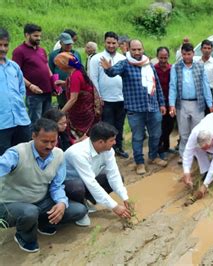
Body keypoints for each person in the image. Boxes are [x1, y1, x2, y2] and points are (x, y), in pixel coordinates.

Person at [0, 118, 87, 253]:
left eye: (53, 141)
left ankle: (42, 222)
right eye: (45, 141)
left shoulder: (58, 155)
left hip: (40, 201)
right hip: (10, 203)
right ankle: (24, 236)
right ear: (34, 136)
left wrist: (62, 203)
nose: (49, 146)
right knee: (29, 212)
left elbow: (56, 186)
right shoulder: (17, 153)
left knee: (79, 210)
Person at [101, 39, 167, 175]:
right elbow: (113, 72)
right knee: (137, 137)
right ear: (129, 50)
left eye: (139, 49)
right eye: (134, 50)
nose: (137, 52)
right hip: (135, 110)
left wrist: (162, 103)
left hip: (153, 107)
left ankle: (153, 156)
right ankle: (139, 162)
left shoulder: (149, 64)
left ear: (143, 49)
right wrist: (108, 69)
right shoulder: (125, 64)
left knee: (155, 135)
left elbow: (157, 85)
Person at [64, 122, 131, 225]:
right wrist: (115, 206)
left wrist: (124, 197)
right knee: (77, 187)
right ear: (100, 142)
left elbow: (113, 174)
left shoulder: (108, 150)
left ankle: (86, 200)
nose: (114, 143)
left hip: (86, 180)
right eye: (112, 140)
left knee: (117, 178)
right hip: (68, 186)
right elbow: (91, 183)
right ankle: (80, 209)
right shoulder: (78, 154)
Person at [169, 43, 213, 162]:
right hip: (182, 104)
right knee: (184, 133)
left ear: (193, 54)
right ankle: (183, 156)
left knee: (198, 132)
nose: (187, 56)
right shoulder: (176, 67)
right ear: (181, 54)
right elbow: (172, 86)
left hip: (197, 104)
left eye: (189, 54)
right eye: (184, 54)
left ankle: (198, 155)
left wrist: (210, 104)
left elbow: (205, 86)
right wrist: (172, 104)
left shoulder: (200, 66)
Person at [89, 31, 128, 158]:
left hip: (121, 98)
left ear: (118, 44)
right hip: (105, 99)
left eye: (113, 43)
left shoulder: (123, 58)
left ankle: (119, 147)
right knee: (107, 126)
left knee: (119, 125)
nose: (111, 45)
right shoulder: (96, 59)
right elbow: (93, 79)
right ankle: (107, 151)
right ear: (104, 43)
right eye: (108, 43)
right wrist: (98, 97)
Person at [12, 24, 53, 125]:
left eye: (39, 36)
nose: (38, 38)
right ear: (27, 35)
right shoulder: (19, 51)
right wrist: (30, 85)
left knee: (47, 122)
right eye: (35, 36)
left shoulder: (42, 50)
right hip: (33, 94)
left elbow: (47, 67)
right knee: (36, 123)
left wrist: (53, 83)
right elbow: (16, 73)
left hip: (47, 91)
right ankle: (33, 141)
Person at [0, 27, 31, 155]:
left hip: (21, 120)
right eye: (0, 45)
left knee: (22, 157)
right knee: (4, 161)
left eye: (5, 45)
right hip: (2, 124)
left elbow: (21, 90)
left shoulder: (14, 66)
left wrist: (19, 106)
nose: (3, 49)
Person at [55, 52, 99, 137]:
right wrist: (64, 83)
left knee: (82, 136)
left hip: (82, 112)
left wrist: (60, 113)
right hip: (87, 109)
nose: (58, 67)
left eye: (59, 65)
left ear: (64, 65)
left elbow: (73, 99)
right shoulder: (77, 72)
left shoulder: (75, 76)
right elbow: (80, 86)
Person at [49, 32, 82, 109]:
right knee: (63, 105)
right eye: (67, 44)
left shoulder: (76, 54)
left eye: (70, 44)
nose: (69, 46)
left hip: (74, 85)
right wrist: (53, 87)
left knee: (74, 105)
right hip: (60, 87)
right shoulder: (54, 55)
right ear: (61, 43)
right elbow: (51, 70)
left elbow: (80, 69)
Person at [154, 47, 174, 158]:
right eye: (161, 57)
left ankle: (166, 146)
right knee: (160, 125)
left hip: (170, 101)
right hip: (158, 102)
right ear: (157, 57)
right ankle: (160, 148)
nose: (163, 60)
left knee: (170, 124)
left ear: (168, 57)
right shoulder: (154, 69)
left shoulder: (172, 68)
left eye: (165, 57)